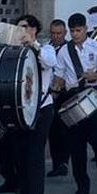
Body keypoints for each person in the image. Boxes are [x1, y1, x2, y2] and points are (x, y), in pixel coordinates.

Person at [55, 12, 97, 194]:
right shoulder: (64, 51)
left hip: (93, 96)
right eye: (72, 31)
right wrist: (56, 86)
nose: (75, 34)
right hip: (73, 97)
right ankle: (82, 185)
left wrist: (93, 76)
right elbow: (59, 76)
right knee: (76, 146)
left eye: (78, 30)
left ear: (85, 29)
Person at [13, 14, 54, 194]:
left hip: (41, 108)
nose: (21, 30)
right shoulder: (14, 51)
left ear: (34, 30)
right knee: (21, 156)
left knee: (35, 155)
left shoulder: (45, 49)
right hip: (19, 110)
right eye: (18, 27)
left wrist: (34, 46)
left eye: (25, 27)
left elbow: (49, 63)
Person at [44, 19, 71, 178]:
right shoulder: (46, 49)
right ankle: (57, 164)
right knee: (52, 131)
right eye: (53, 33)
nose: (56, 36)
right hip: (49, 94)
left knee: (64, 129)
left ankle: (64, 162)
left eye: (59, 33)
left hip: (64, 93)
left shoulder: (69, 49)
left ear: (65, 33)